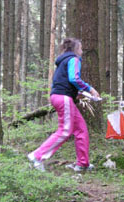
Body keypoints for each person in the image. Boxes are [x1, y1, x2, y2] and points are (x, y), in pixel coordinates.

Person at [28, 38, 99, 172]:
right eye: (81, 48)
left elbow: (65, 81)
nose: (82, 51)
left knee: (81, 129)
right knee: (65, 130)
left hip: (62, 97)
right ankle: (37, 156)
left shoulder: (63, 61)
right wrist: (90, 89)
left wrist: (77, 93)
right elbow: (74, 78)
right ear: (76, 49)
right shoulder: (74, 59)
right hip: (63, 98)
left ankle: (83, 164)